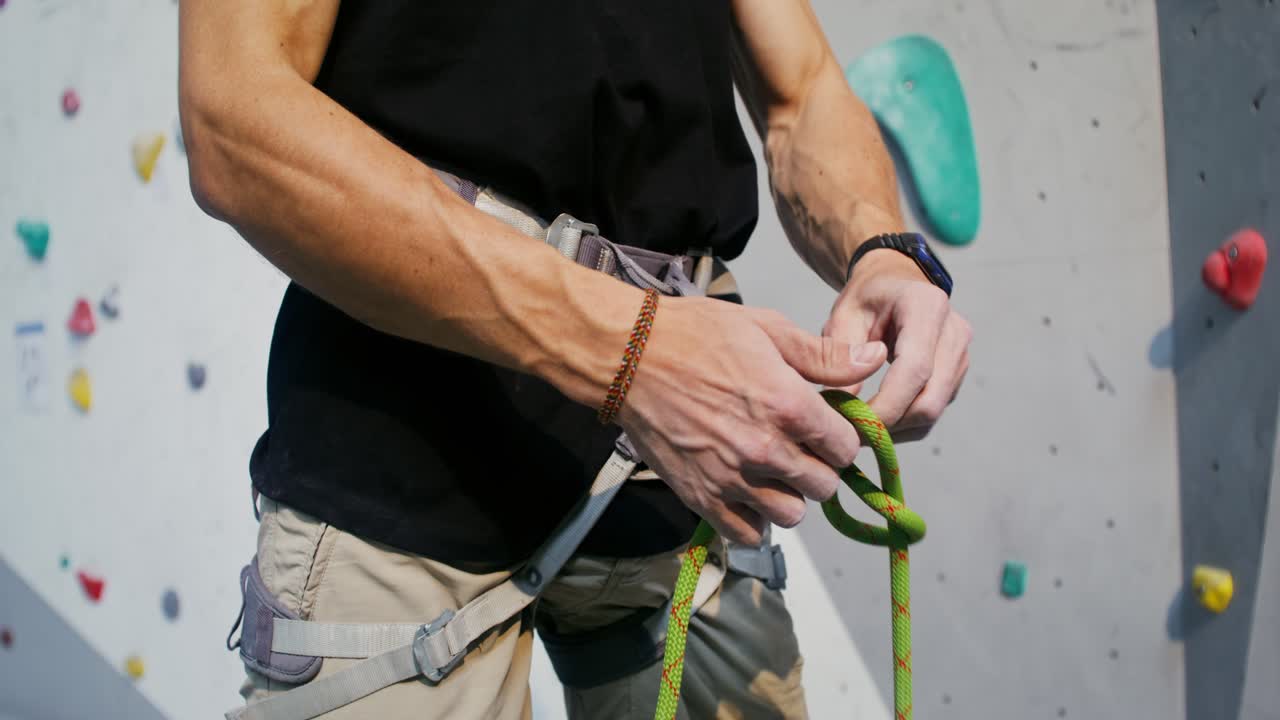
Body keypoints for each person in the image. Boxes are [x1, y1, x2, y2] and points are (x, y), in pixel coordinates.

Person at [180, 1, 971, 718]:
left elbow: (802, 89)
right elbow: (234, 117)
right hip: (407, 450)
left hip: (678, 476)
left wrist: (881, 248)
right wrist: (632, 352)